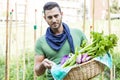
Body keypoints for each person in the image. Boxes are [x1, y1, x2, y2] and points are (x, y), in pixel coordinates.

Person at [34, 1, 87, 80]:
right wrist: (42, 64)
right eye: (50, 17)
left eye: (56, 16)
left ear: (61, 14)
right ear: (45, 18)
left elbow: (90, 57)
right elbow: (38, 72)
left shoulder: (78, 34)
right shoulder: (41, 42)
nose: (54, 20)